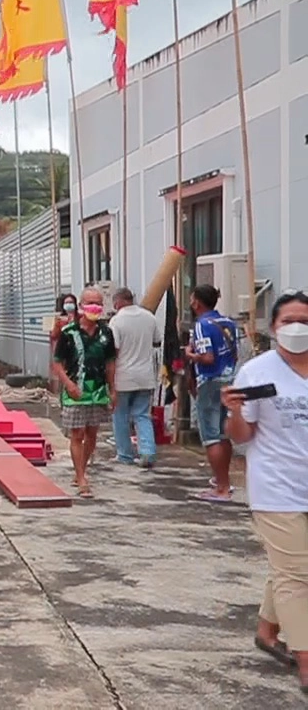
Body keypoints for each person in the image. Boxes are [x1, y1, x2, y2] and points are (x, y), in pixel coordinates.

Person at [222, 290, 308, 691]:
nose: (296, 328)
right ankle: (307, 660)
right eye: (288, 320)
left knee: (289, 568)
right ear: (273, 328)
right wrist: (236, 410)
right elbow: (242, 437)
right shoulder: (257, 372)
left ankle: (266, 631)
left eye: (304, 321)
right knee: (299, 576)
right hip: (277, 487)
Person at [53, 287, 118, 499]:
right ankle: (81, 478)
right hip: (75, 390)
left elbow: (110, 363)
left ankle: (81, 468)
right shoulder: (68, 332)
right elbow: (57, 364)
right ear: (81, 306)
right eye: (90, 303)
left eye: (98, 303)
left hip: (97, 390)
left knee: (92, 434)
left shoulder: (106, 333)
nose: (95, 307)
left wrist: (112, 389)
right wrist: (68, 385)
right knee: (77, 433)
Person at [186, 284, 239, 503]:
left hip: (209, 381)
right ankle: (222, 481)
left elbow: (207, 357)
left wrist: (190, 355)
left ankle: (221, 487)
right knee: (223, 433)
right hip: (229, 380)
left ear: (197, 302)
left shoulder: (201, 325)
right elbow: (233, 353)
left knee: (210, 436)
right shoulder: (228, 323)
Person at [109, 288, 161, 467]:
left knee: (120, 416)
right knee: (142, 415)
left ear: (117, 303)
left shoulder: (116, 321)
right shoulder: (149, 317)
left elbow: (113, 351)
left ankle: (125, 454)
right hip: (146, 376)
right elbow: (157, 341)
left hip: (123, 377)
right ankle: (148, 452)